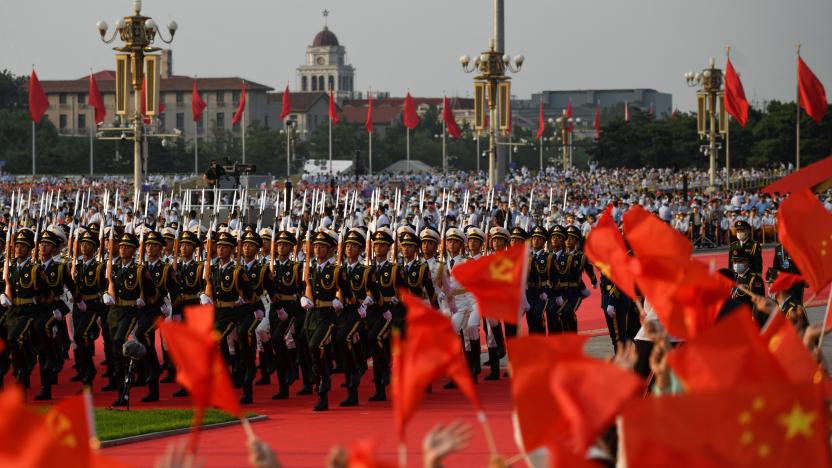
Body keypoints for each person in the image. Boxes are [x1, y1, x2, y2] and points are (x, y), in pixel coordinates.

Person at [299, 229, 352, 411]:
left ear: (330, 249)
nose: (318, 249)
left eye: (322, 246)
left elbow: (349, 294)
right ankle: (320, 380)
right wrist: (303, 298)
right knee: (310, 351)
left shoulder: (336, 270)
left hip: (329, 316)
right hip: (312, 316)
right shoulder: (311, 269)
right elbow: (304, 288)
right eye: (316, 246)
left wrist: (340, 301)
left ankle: (324, 385)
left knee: (315, 345)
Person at [103, 232, 157, 407]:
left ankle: (132, 371)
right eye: (121, 246)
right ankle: (122, 391)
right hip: (115, 313)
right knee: (115, 351)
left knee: (120, 341)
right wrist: (106, 294)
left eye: (127, 247)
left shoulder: (140, 270)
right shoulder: (113, 268)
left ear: (134, 250)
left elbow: (153, 293)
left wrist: (145, 300)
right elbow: (106, 287)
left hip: (132, 313)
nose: (123, 249)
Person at [200, 231, 254, 404]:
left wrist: (241, 299)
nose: (221, 250)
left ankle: (242, 388)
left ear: (232, 250)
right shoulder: (214, 271)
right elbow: (212, 291)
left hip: (235, 316)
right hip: (219, 315)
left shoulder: (237, 271)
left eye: (225, 247)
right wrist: (205, 296)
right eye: (219, 246)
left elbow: (251, 296)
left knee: (235, 351)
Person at [335, 228, 377, 407]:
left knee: (342, 338)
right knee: (340, 344)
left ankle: (355, 373)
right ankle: (354, 369)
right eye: (348, 245)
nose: (350, 249)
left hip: (358, 312)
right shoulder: (340, 269)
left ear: (360, 250)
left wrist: (366, 303)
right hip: (342, 311)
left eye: (354, 246)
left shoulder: (366, 271)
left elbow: (373, 293)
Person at [70, 229, 107, 390]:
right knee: (78, 339)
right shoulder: (76, 266)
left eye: (88, 244)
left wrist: (101, 313)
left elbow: (104, 289)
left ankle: (89, 373)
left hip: (92, 307)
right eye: (82, 244)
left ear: (94, 248)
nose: (84, 247)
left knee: (80, 335)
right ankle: (87, 369)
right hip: (78, 306)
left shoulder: (100, 267)